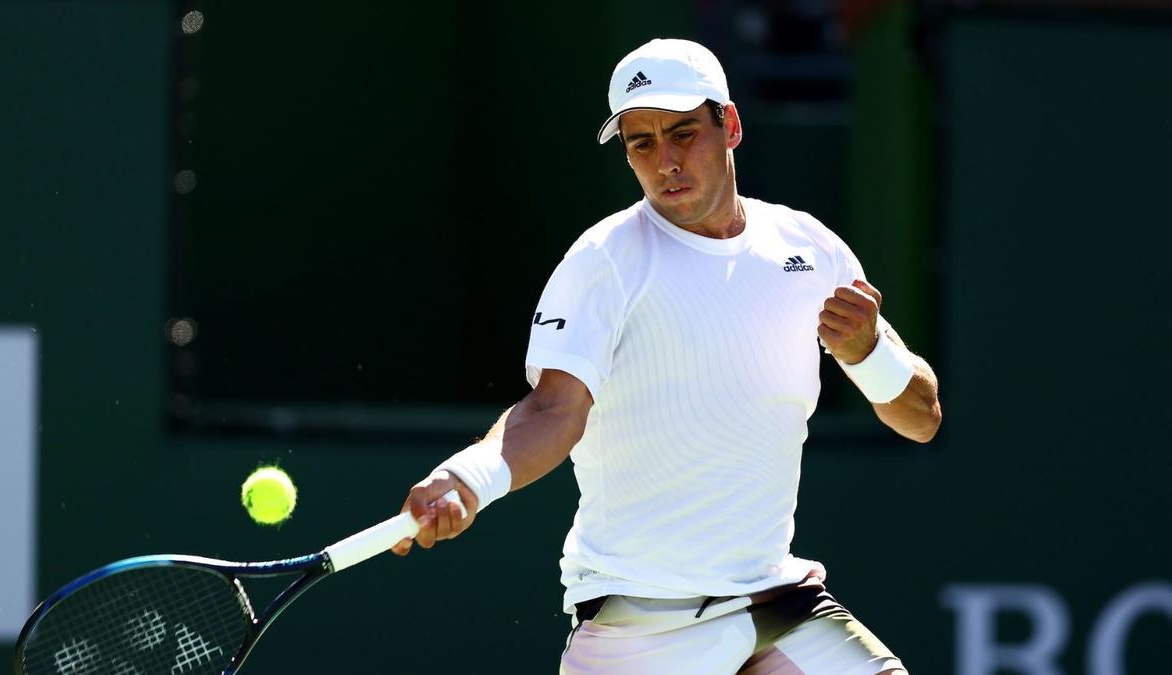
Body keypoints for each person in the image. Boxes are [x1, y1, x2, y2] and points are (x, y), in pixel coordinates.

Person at [391, 38, 941, 674]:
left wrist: (868, 351)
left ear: (729, 125)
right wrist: (467, 480)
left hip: (778, 605)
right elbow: (553, 410)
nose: (666, 162)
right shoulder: (603, 263)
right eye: (642, 143)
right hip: (640, 629)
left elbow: (921, 417)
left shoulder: (809, 250)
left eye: (683, 133)